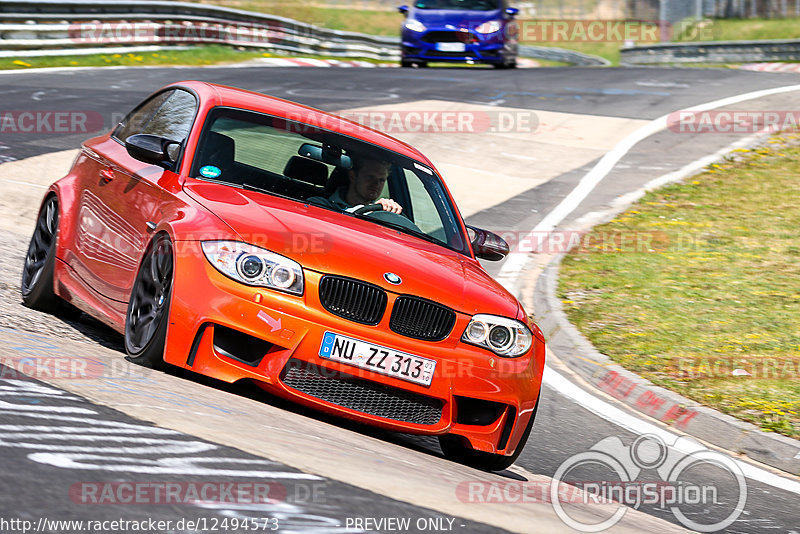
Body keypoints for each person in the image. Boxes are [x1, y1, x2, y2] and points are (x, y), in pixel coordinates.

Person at [311, 158, 403, 214]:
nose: (376, 184)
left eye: (381, 180)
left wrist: (390, 212)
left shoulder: (381, 213)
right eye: (370, 177)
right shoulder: (317, 204)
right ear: (353, 176)